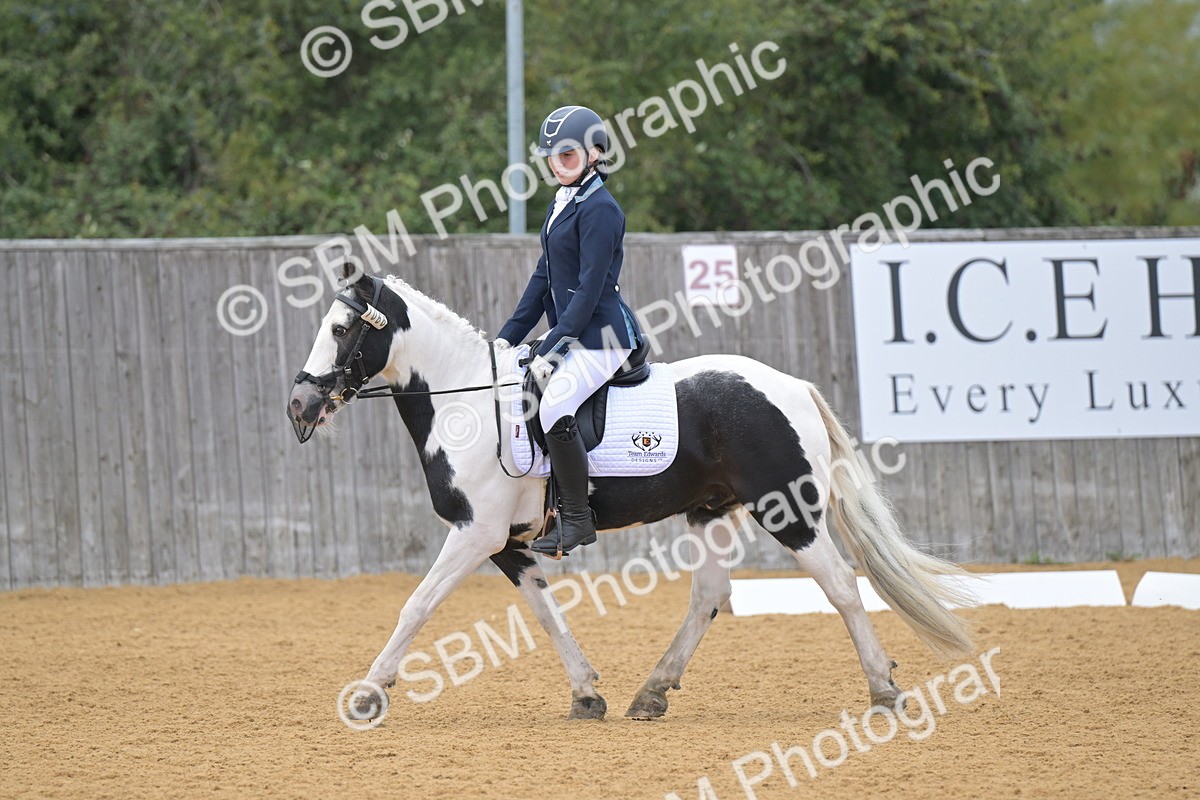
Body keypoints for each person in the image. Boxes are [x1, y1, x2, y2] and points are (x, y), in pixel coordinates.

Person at [495, 105, 644, 557]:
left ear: (595, 153)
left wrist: (554, 344)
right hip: (573, 331)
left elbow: (588, 290)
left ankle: (578, 519)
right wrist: (507, 337)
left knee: (554, 401)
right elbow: (542, 280)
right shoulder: (564, 201)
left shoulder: (601, 209)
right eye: (552, 156)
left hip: (603, 336)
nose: (557, 164)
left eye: (568, 155)